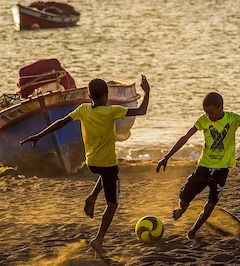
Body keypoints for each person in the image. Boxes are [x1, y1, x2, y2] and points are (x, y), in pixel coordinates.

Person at [20, 75, 150, 256]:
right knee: (112, 204)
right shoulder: (112, 111)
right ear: (106, 95)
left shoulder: (83, 109)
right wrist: (147, 92)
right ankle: (98, 240)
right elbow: (142, 110)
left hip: (91, 163)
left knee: (108, 174)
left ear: (89, 96)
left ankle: (91, 198)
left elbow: (60, 123)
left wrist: (39, 136)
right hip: (107, 164)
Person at [156, 92, 240, 239]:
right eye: (206, 112)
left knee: (211, 203)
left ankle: (193, 231)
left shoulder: (232, 118)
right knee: (183, 199)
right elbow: (185, 138)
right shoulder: (203, 120)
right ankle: (182, 210)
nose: (209, 115)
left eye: (211, 112)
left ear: (221, 107)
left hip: (221, 170)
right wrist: (167, 156)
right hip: (203, 167)